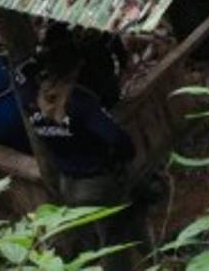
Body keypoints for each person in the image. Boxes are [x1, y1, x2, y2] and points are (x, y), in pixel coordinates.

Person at [17, 41, 139, 268]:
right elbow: (115, 138)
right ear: (75, 69)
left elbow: (21, 74)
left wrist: (33, 62)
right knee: (113, 238)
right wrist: (125, 154)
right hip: (97, 182)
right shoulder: (80, 102)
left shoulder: (30, 99)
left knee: (87, 237)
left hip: (67, 182)